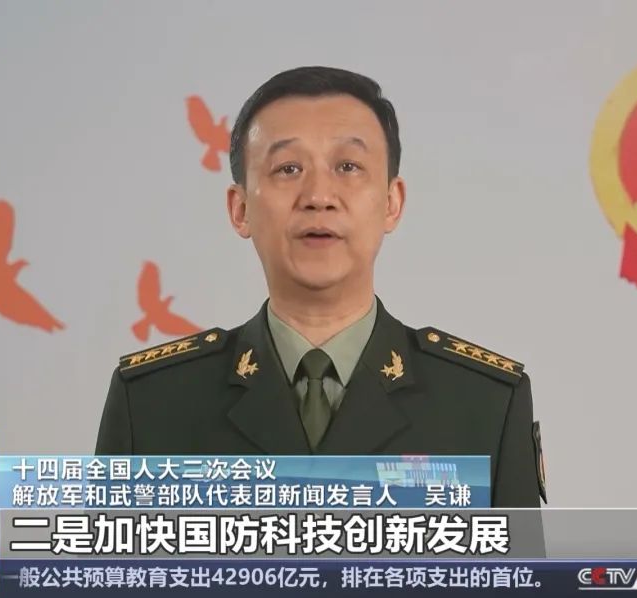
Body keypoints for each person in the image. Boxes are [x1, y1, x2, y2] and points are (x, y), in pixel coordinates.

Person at [96, 66, 546, 509]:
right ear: (240, 208)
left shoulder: (484, 404)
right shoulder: (152, 402)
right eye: (288, 168)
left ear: (392, 203)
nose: (318, 196)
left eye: (348, 166)